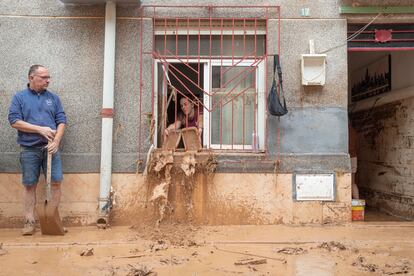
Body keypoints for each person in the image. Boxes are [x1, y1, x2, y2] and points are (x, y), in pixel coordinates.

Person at [8, 65, 66, 235]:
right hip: (29, 149)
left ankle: (53, 221)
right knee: (29, 185)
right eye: (43, 77)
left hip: (51, 149)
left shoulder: (53, 98)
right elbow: (14, 121)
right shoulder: (19, 98)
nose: (47, 80)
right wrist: (40, 129)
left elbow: (61, 120)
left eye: (49, 77)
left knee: (56, 183)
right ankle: (29, 222)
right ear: (31, 78)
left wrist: (56, 141)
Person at [349, 121, 360, 199]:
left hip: (344, 158)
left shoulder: (340, 131)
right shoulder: (354, 132)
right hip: (353, 157)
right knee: (352, 182)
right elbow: (357, 146)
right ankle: (357, 202)